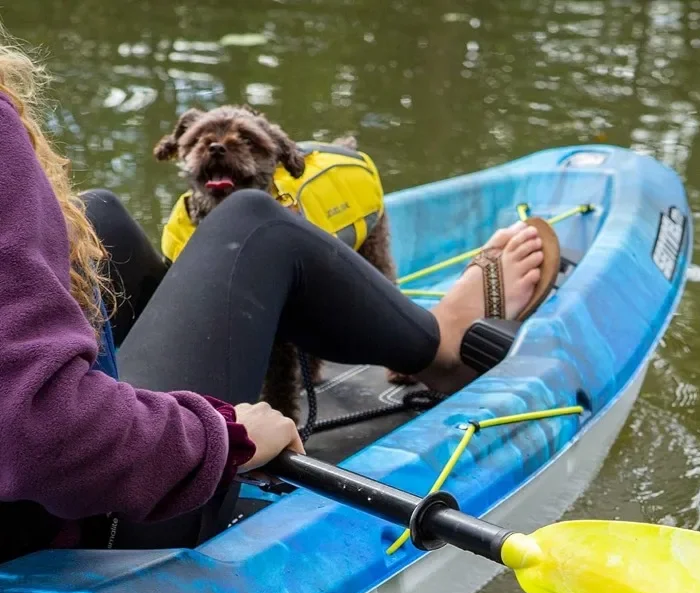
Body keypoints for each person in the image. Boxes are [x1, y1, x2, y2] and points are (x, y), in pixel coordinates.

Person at [0, 36, 547, 563]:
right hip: (96, 513)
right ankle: (441, 345)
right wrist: (224, 436)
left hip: (32, 500)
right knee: (254, 222)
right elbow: (35, 430)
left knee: (101, 221)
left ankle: (210, 343)